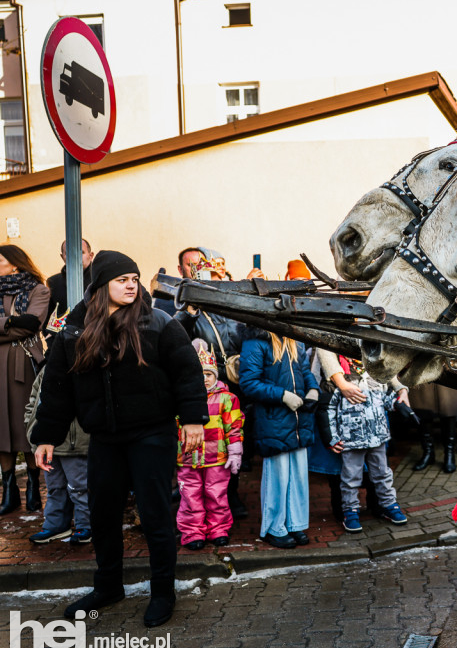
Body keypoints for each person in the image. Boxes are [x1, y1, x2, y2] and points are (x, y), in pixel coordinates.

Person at [31, 250, 208, 628]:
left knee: (156, 515)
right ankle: (109, 586)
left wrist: (193, 419)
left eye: (134, 278)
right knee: (103, 514)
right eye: (121, 280)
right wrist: (46, 435)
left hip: (152, 434)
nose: (131, 285)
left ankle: (163, 592)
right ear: (100, 286)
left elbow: (187, 373)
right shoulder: (74, 328)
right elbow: (58, 386)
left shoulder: (157, 322)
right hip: (105, 439)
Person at [238, 327, 317, 549]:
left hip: (299, 419)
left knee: (298, 475)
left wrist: (313, 389)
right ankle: (274, 527)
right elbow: (249, 383)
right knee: (278, 476)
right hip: (274, 419)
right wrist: (282, 396)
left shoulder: (295, 340)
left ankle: (295, 523)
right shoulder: (256, 341)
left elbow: (304, 370)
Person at [325, 356, 409, 533]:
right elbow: (330, 409)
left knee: (382, 473)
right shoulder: (340, 379)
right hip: (351, 439)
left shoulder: (375, 375)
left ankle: (389, 505)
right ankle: (350, 511)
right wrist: (333, 437)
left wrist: (397, 404)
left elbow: (386, 399)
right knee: (350, 477)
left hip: (377, 437)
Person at [177, 340, 244, 550]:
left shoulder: (227, 399)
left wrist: (235, 453)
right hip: (188, 458)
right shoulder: (181, 399)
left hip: (218, 458)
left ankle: (218, 529)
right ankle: (192, 532)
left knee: (216, 495)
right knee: (190, 497)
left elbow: (234, 427)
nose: (204, 379)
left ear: (215, 375)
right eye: (199, 375)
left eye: (208, 374)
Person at [0, 245, 49, 516]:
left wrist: (7, 324)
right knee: (1, 429)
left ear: (15, 265)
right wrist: (11, 323)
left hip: (23, 366)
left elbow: (32, 324)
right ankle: (9, 492)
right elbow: (20, 324)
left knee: (26, 425)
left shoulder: (38, 290)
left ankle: (33, 486)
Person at [24, 367, 91, 544]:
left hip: (75, 444)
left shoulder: (82, 363)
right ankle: (56, 524)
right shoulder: (49, 367)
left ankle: (86, 524)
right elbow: (34, 397)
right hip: (47, 443)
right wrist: (30, 423)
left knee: (79, 487)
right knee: (54, 487)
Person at [44, 238, 94, 341]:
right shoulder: (53, 282)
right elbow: (48, 316)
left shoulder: (100, 279)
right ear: (62, 257)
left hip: (96, 340)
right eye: (69, 253)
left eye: (81, 252)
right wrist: (50, 337)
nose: (75, 257)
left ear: (91, 255)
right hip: (63, 342)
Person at [410, 384, 457, 473]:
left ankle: (449, 454)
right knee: (422, 405)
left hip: (446, 372)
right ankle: (428, 453)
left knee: (448, 407)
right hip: (421, 372)